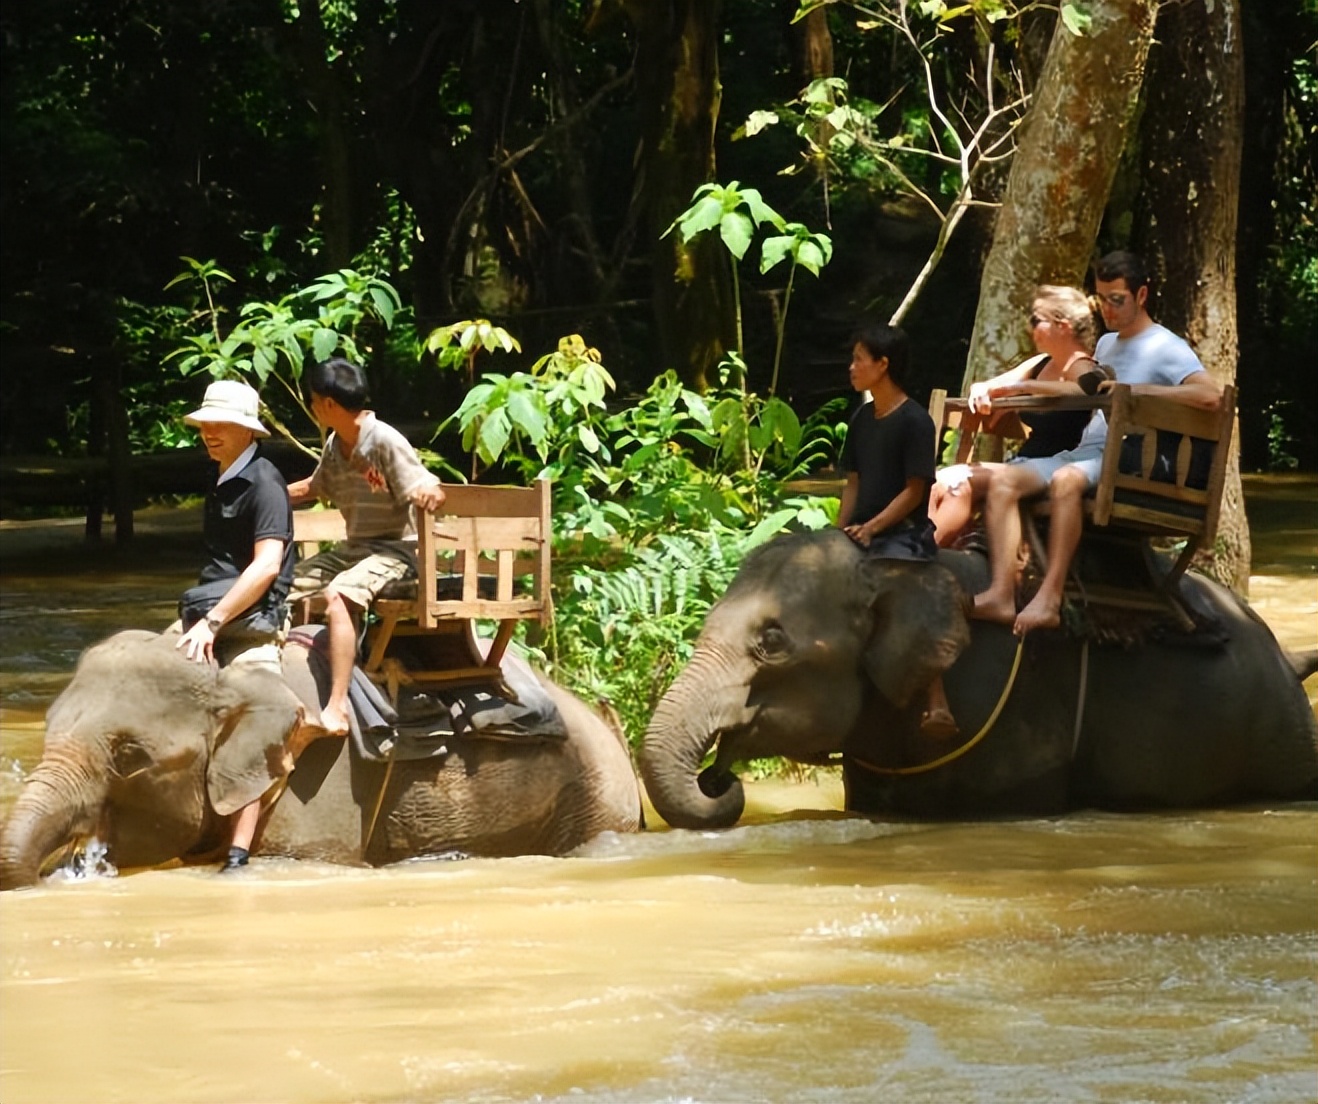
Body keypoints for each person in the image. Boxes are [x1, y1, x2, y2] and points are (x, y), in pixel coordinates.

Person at [972, 251, 1222, 635]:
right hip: (1085, 452)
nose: (1107, 309)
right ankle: (1001, 593)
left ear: (1141, 295)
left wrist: (1136, 391)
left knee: (1067, 480)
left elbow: (1212, 397)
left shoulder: (1166, 347)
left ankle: (1050, 598)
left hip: (1130, 460)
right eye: (1101, 299)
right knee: (1005, 481)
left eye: (1117, 299)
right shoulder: (1104, 345)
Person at [287, 358, 446, 737]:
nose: (312, 407)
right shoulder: (334, 444)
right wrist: (264, 494)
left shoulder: (385, 441)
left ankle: (338, 706)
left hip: (397, 552)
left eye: (312, 401)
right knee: (285, 583)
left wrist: (431, 491)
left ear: (327, 404)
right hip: (356, 548)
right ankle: (284, 677)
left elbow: (423, 482)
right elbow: (314, 487)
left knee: (339, 594)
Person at [175, 379, 296, 871]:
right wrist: (205, 621)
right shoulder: (220, 475)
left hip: (251, 622)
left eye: (222, 424)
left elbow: (266, 566)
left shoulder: (265, 483)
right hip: (208, 614)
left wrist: (216, 620)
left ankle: (239, 853)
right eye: (206, 424)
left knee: (256, 714)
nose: (211, 432)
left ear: (249, 432)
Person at [838, 323, 959, 739]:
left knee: (909, 599)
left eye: (859, 359)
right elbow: (852, 483)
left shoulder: (915, 422)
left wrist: (872, 528)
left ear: (882, 365)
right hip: (863, 531)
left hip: (902, 535)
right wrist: (839, 534)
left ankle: (936, 700)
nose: (852, 367)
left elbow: (914, 492)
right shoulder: (861, 418)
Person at [928, 285, 1106, 548]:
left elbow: (1087, 390)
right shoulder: (1040, 363)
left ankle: (923, 554)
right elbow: (991, 385)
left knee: (959, 485)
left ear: (1062, 326)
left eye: (1036, 320)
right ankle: (914, 546)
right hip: (1023, 462)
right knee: (938, 484)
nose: (1029, 327)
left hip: (1054, 468)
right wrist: (984, 390)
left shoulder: (1082, 365)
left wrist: (1025, 389)